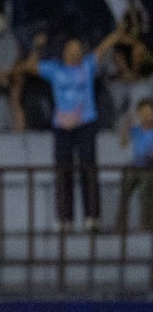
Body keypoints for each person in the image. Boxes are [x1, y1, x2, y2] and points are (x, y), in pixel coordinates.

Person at [13, 27, 123, 231]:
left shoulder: (87, 66)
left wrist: (116, 34)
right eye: (71, 49)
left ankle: (92, 217)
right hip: (62, 127)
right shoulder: (55, 69)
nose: (75, 53)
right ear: (64, 52)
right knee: (63, 171)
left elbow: (103, 48)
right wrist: (38, 47)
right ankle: (65, 219)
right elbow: (28, 66)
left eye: (78, 49)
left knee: (88, 169)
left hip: (86, 124)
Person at [117, 97, 153, 231]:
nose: (146, 116)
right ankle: (120, 224)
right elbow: (123, 143)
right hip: (136, 165)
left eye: (148, 112)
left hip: (149, 168)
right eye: (142, 112)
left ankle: (145, 224)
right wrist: (126, 125)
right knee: (124, 192)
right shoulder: (136, 130)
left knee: (145, 192)